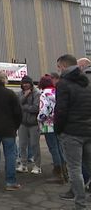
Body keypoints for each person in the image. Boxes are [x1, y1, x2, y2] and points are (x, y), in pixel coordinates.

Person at [55, 54, 91, 208]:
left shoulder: (64, 83)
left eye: (59, 67)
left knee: (74, 169)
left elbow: (61, 110)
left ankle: (80, 204)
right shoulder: (86, 82)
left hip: (71, 132)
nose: (58, 70)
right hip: (88, 130)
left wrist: (58, 129)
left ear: (63, 66)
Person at [37, 74, 66, 183]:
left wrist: (39, 119)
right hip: (59, 123)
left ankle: (58, 173)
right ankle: (65, 170)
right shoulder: (56, 92)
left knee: (53, 148)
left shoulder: (44, 94)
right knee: (59, 147)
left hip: (48, 124)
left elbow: (44, 110)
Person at [16, 75, 42, 174]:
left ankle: (37, 166)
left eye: (27, 83)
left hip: (34, 123)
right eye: (24, 83)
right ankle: (23, 164)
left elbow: (36, 108)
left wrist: (24, 106)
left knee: (35, 145)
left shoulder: (37, 93)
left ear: (31, 84)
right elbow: (17, 105)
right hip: (22, 123)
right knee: (22, 145)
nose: (25, 85)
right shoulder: (20, 94)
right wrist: (25, 96)